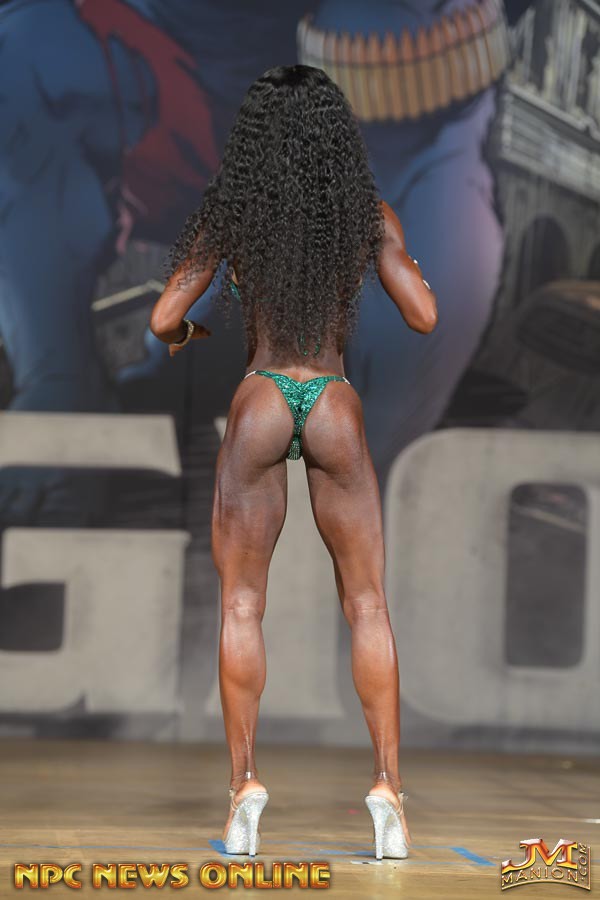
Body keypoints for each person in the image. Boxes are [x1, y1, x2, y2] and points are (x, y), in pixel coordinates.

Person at [149, 64, 437, 861]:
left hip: (262, 399)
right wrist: (403, 262)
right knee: (368, 606)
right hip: (334, 400)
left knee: (242, 606)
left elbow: (165, 316)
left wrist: (188, 336)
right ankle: (388, 792)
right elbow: (423, 315)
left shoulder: (233, 216)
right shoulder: (366, 216)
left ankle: (244, 788)